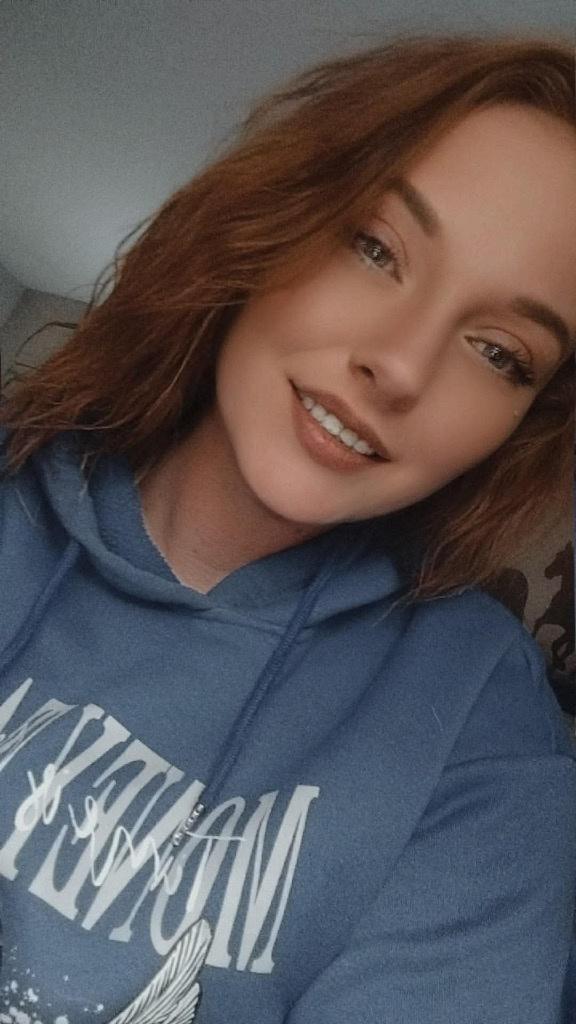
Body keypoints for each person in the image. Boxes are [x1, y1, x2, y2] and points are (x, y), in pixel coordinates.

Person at [0, 29, 574, 1024]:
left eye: (499, 351)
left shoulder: (483, 735)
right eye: (376, 248)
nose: (401, 364)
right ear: (272, 217)